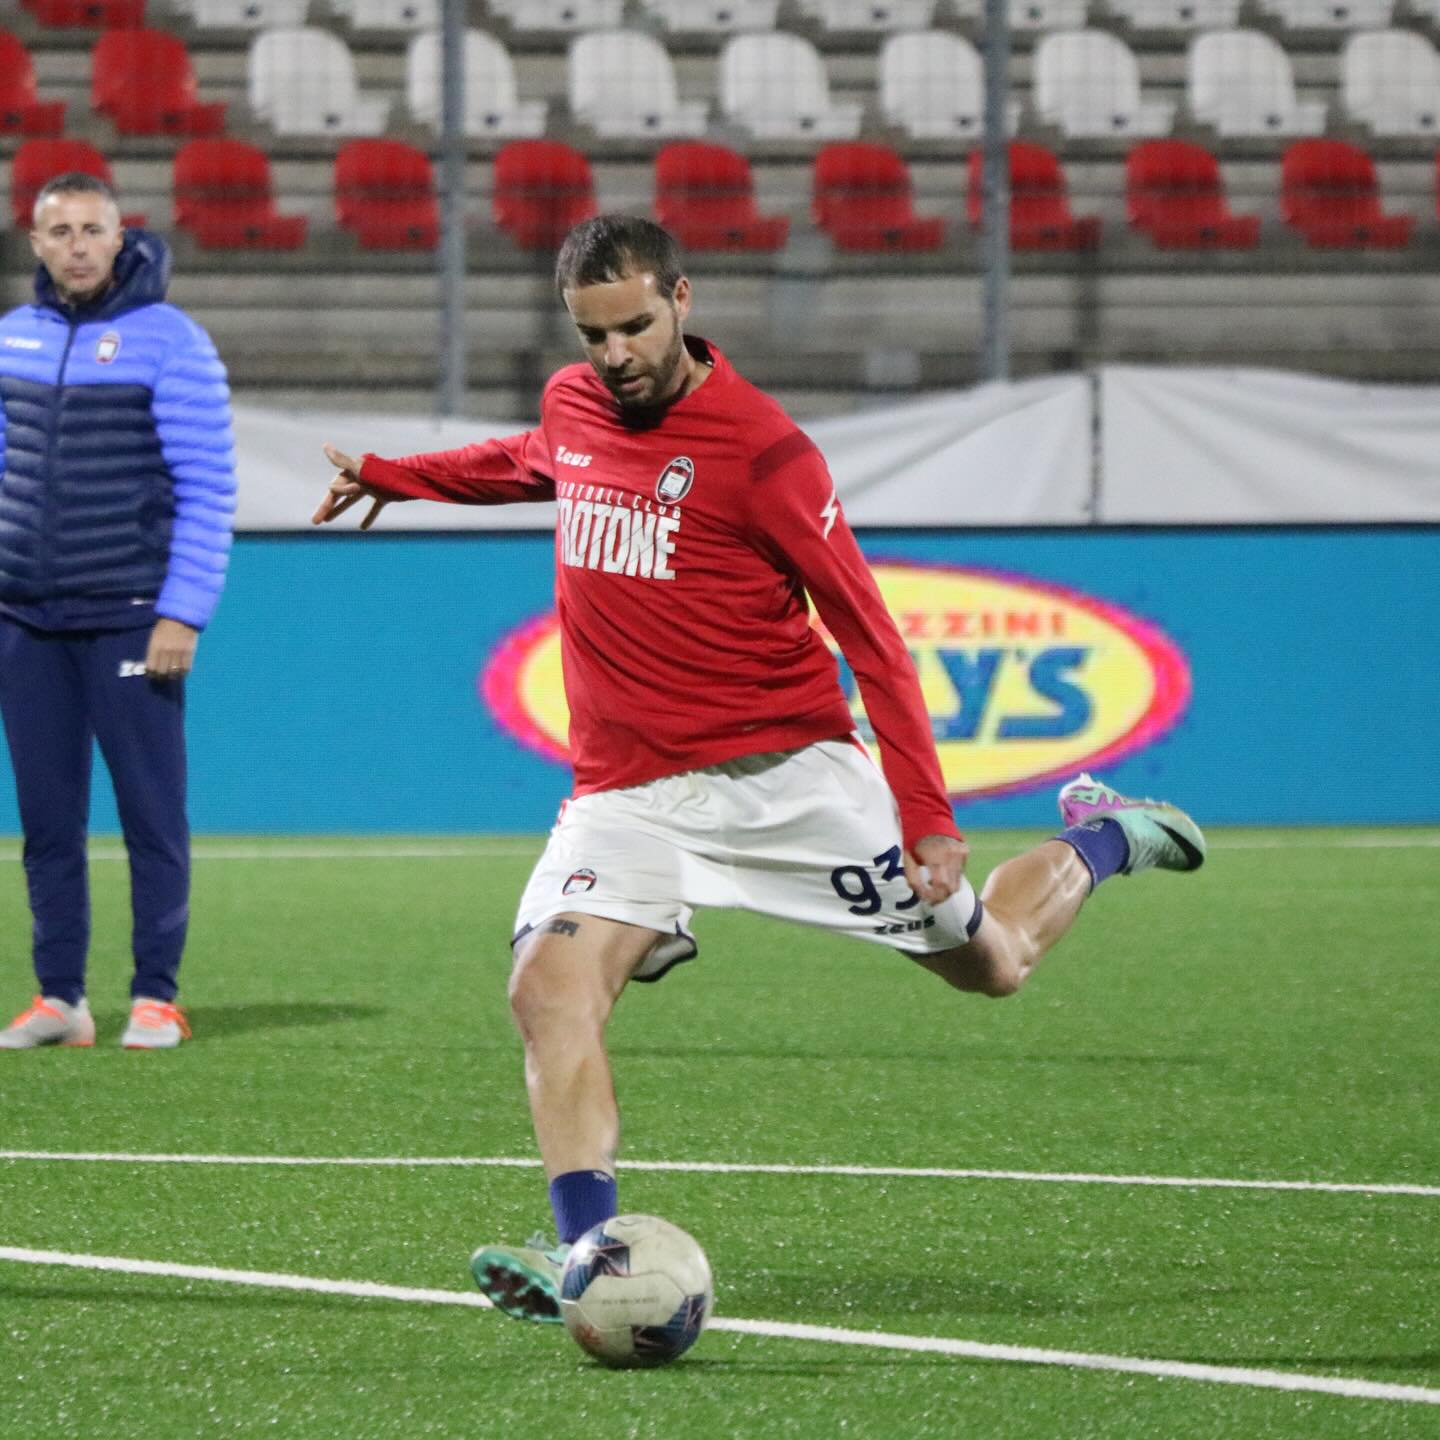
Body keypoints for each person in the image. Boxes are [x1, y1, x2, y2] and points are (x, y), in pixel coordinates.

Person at [312, 214, 1204, 1322]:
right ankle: (591, 1257)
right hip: (628, 796)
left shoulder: (769, 452)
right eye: (593, 334)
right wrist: (397, 476)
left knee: (995, 963)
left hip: (791, 787)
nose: (616, 354)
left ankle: (1106, 834)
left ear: (683, 299)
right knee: (547, 991)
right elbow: (530, 464)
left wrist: (926, 814)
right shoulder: (576, 402)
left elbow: (871, 634)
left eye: (635, 326)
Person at [0, 173, 237, 1051]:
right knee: (47, 822)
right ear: (36, 242)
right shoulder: (12, 340)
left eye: (91, 229)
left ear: (119, 235)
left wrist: (182, 613)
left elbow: (209, 489)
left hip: (134, 615)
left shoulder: (170, 341)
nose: (76, 245)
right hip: (24, 618)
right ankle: (60, 997)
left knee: (150, 814)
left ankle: (155, 995)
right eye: (58, 230)